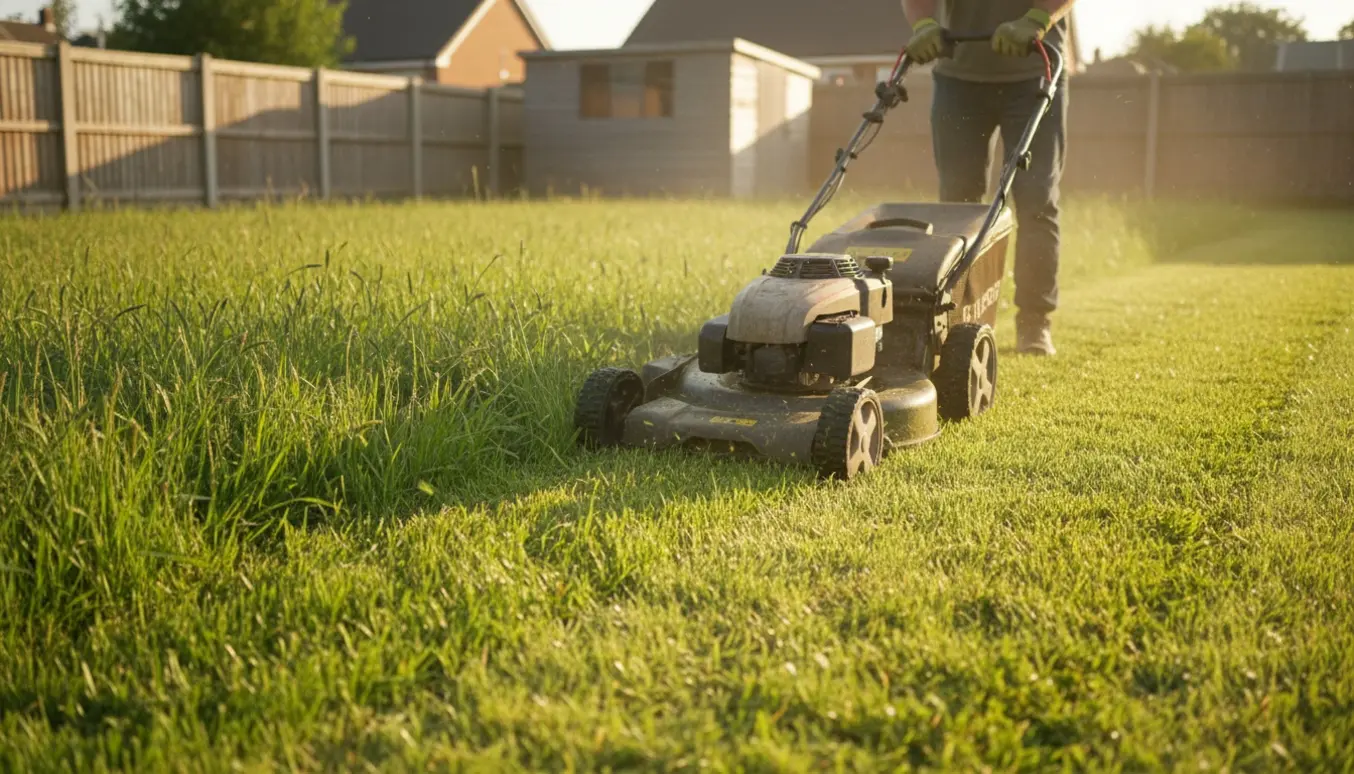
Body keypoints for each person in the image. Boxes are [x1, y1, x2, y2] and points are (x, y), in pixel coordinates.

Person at [901, 0, 1076, 356]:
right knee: (957, 207)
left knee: (1036, 198)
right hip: (959, 78)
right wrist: (922, 25)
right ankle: (960, 318)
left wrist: (1038, 19)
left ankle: (1034, 323)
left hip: (1035, 69)